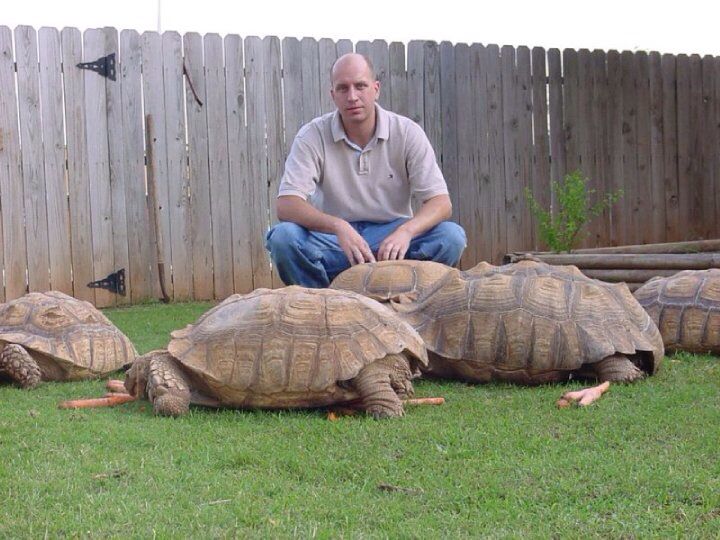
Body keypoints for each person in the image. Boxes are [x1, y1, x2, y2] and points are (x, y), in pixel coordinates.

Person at [265, 53, 466, 288]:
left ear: (376, 89)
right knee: (283, 238)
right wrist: (339, 227)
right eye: (342, 88)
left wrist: (407, 231)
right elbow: (287, 204)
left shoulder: (407, 132)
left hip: (392, 238)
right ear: (333, 95)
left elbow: (441, 203)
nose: (352, 97)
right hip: (334, 243)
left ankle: (409, 302)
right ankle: (322, 306)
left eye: (360, 86)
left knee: (451, 237)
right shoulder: (312, 136)